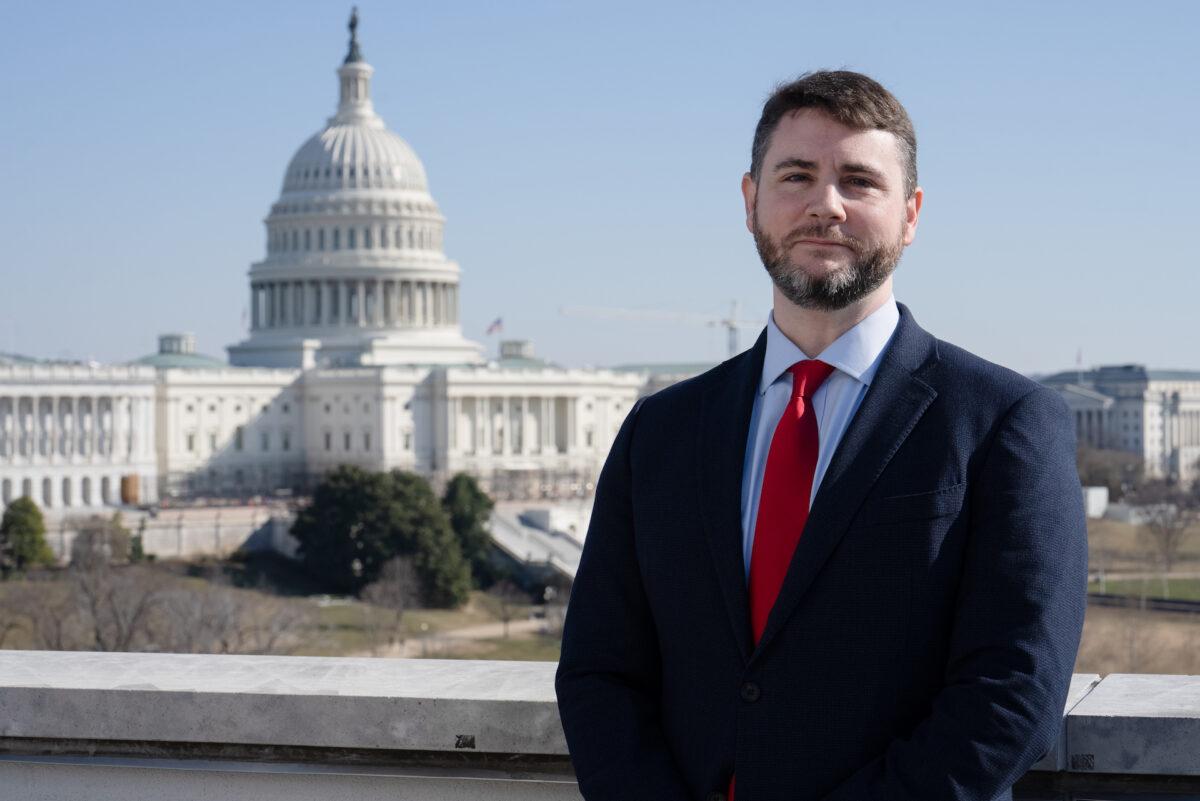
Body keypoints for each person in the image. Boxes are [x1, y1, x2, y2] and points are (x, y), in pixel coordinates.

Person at [555, 70, 1087, 801]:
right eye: (796, 175)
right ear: (750, 203)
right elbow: (598, 668)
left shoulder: (1005, 422)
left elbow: (1013, 691)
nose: (825, 205)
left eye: (860, 181)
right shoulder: (661, 430)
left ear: (911, 214)